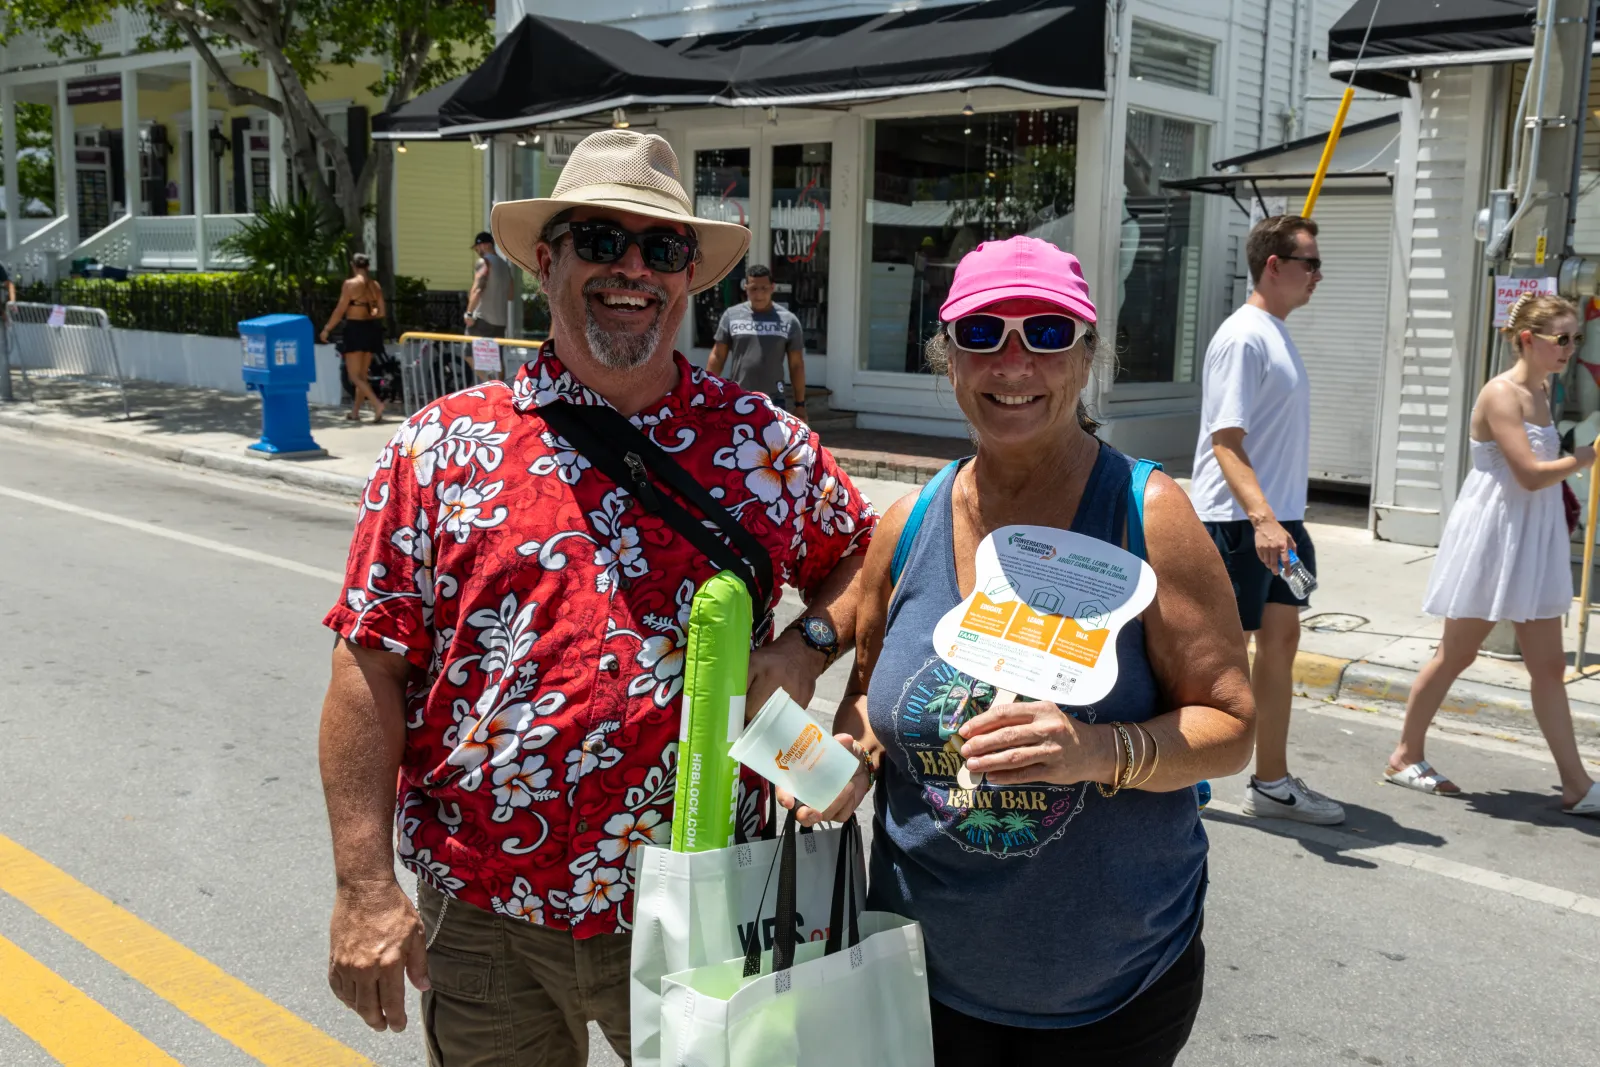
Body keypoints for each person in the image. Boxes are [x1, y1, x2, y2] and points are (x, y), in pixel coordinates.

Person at [317, 129, 878, 1065]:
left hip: (700, 897)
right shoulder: (440, 446)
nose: (632, 270)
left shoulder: (765, 446)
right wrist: (362, 881)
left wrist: (805, 646)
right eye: (599, 241)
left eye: (660, 249)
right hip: (484, 905)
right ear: (546, 259)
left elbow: (870, 557)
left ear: (690, 274)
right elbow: (366, 660)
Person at [790, 235, 1255, 1066]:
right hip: (917, 976)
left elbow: (1232, 724)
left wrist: (1096, 749)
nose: (1014, 364)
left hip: (1111, 993)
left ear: (1084, 359)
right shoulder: (906, 525)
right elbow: (865, 695)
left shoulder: (1149, 517)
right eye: (983, 335)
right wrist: (853, 753)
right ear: (948, 358)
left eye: (1046, 333)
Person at [1387, 292, 1600, 816]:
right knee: (1456, 653)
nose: (1570, 348)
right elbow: (1527, 475)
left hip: (1530, 535)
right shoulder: (1501, 394)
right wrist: (1586, 457)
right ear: (1528, 338)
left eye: (1576, 338)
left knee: (1548, 666)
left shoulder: (1544, 389)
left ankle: (1576, 783)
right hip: (1494, 534)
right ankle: (1404, 754)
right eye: (1562, 338)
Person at [1188, 214, 1342, 825]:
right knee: (1221, 657)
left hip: (1280, 520)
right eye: (1309, 263)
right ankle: (1183, 771)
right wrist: (1261, 519)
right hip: (1238, 520)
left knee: (1281, 644)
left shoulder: (1275, 332)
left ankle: (1271, 782)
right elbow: (1225, 441)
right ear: (1273, 266)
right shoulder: (1242, 336)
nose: (1318, 276)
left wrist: (1279, 520)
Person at [706, 263, 807, 417]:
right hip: (738, 396)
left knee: (774, 442)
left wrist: (799, 404)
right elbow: (718, 357)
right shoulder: (731, 316)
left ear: (772, 288)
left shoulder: (788, 321)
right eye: (753, 288)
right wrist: (707, 393)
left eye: (764, 288)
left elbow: (796, 365)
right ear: (745, 287)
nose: (759, 294)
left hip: (774, 399)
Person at [320, 253, 387, 423]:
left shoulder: (350, 284)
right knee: (362, 376)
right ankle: (355, 412)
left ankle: (376, 404)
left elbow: (340, 310)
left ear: (353, 265)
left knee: (354, 376)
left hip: (355, 328)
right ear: (368, 266)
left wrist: (327, 329)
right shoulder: (375, 285)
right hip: (371, 329)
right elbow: (382, 312)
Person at [464, 230, 514, 338]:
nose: (477, 250)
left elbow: (477, 290)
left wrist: (469, 313)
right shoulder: (506, 267)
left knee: (470, 353)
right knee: (494, 354)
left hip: (482, 320)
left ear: (487, 245)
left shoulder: (484, 262)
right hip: (500, 324)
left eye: (478, 247)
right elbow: (510, 295)